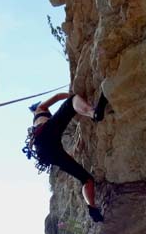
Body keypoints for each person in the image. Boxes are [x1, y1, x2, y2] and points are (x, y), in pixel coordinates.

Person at [23, 90, 109, 222]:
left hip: (46, 153)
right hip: (45, 136)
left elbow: (56, 149)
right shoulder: (41, 109)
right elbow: (57, 97)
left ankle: (92, 208)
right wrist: (72, 95)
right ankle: (94, 113)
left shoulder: (37, 122)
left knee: (86, 179)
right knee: (71, 102)